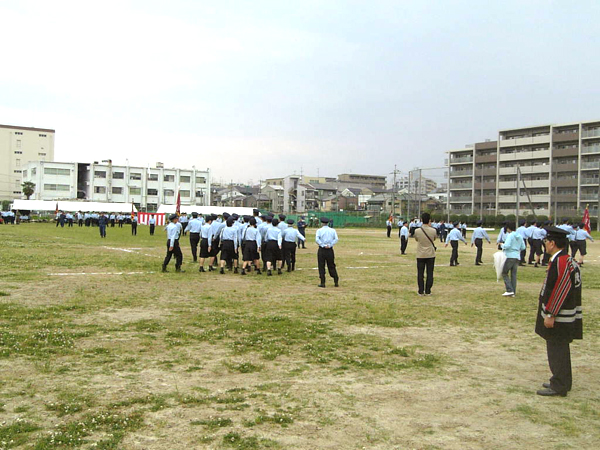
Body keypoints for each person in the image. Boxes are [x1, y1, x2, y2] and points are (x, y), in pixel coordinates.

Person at [535, 227, 582, 397]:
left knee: (557, 349)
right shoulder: (565, 260)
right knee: (559, 348)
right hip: (562, 314)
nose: (545, 245)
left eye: (546, 242)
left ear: (552, 243)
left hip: (560, 316)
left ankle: (559, 385)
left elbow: (561, 288)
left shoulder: (562, 262)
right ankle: (561, 379)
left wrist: (551, 313)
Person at [501, 221, 526, 297]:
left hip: (509, 256)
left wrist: (502, 245)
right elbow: (523, 247)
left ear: (508, 228)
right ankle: (513, 291)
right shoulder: (520, 236)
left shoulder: (510, 235)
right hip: (517, 256)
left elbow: (507, 245)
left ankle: (509, 289)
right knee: (513, 274)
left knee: (504, 273)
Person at [414, 212, 437, 296]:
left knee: (420, 273)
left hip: (420, 254)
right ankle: (428, 290)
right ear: (429, 220)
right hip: (430, 254)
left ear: (421, 220)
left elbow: (417, 239)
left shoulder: (417, 231)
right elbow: (434, 239)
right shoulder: (433, 230)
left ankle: (420, 290)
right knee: (430, 273)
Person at [316, 217, 339, 288]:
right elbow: (336, 239)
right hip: (330, 250)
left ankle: (322, 282)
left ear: (322, 223)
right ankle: (335, 280)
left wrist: (323, 245)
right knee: (331, 265)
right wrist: (330, 245)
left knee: (321, 266)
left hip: (322, 249)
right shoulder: (332, 230)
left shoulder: (319, 230)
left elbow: (317, 239)